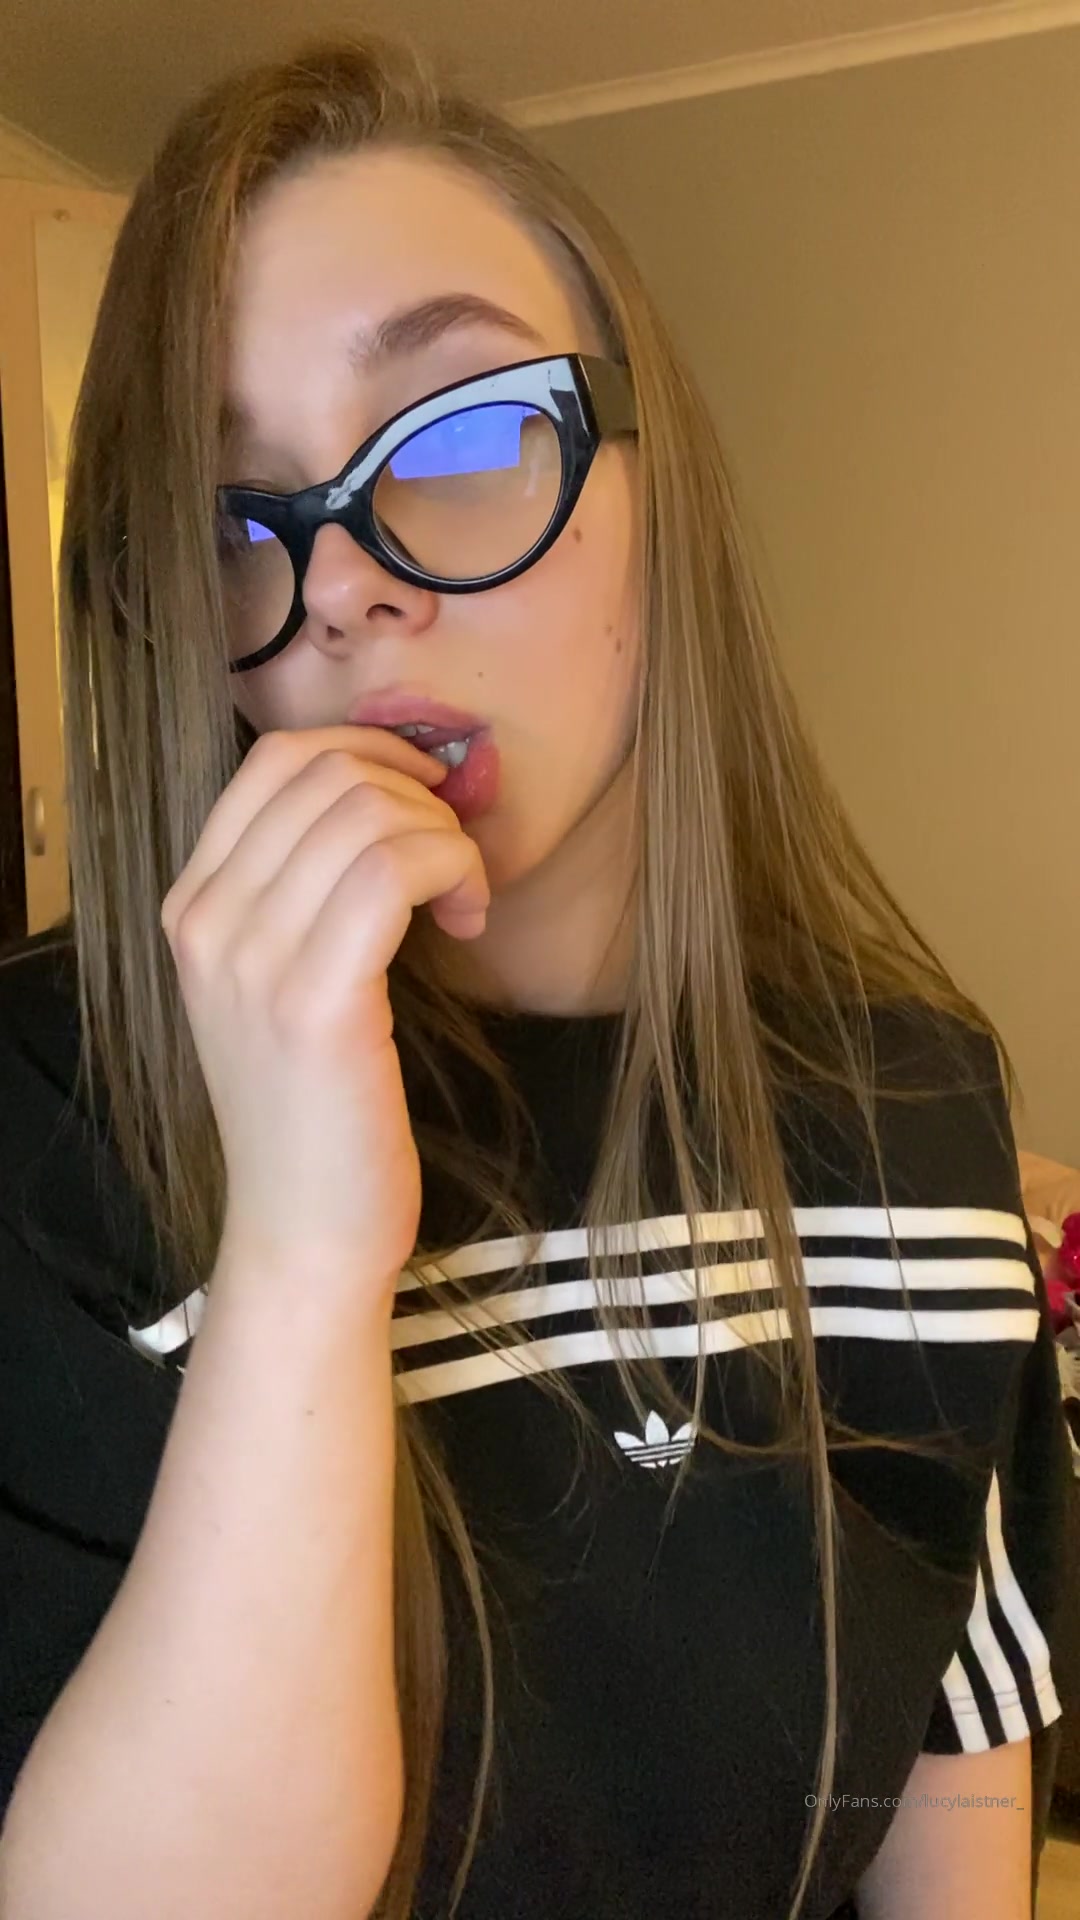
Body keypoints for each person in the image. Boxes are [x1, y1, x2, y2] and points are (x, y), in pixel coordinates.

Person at [0, 31, 1069, 1920]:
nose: (342, 583)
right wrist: (303, 1250)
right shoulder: (46, 1118)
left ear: (663, 502)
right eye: (239, 514)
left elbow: (949, 1742)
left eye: (460, 435)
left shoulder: (916, 1093)